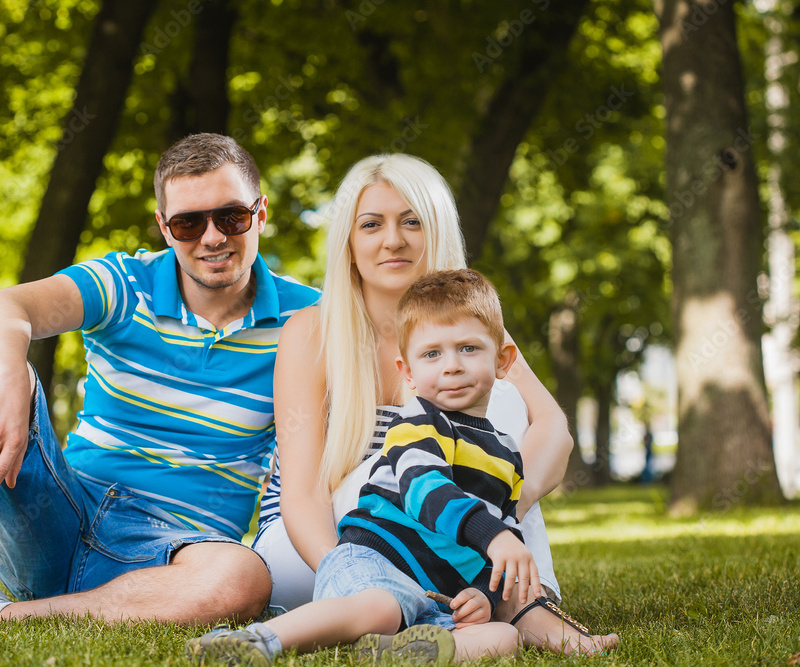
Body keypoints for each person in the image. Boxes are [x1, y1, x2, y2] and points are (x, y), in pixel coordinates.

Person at [0, 133, 320, 631]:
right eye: (187, 223)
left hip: (180, 555)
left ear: (260, 213)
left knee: (245, 579)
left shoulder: (311, 318)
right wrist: (11, 381)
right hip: (60, 518)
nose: (213, 237)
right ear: (164, 227)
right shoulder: (122, 282)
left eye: (231, 217)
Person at [251, 153, 618, 653]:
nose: (393, 240)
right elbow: (300, 497)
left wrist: (490, 528)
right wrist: (358, 577)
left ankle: (506, 600)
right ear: (349, 243)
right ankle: (504, 604)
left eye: (411, 222)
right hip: (323, 549)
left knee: (496, 405)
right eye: (371, 224)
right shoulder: (312, 331)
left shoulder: (469, 328)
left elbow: (553, 425)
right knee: (433, 452)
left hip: (435, 541)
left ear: (437, 231)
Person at [186, 269, 590, 665]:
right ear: (409, 373)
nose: (451, 366)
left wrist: (484, 593)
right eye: (433, 354)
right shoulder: (418, 423)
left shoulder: (504, 451)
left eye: (468, 348)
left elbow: (504, 526)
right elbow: (424, 489)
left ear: (502, 360)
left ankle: (389, 653)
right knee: (380, 608)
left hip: (430, 594)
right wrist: (492, 535)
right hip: (371, 564)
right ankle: (261, 641)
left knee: (501, 638)